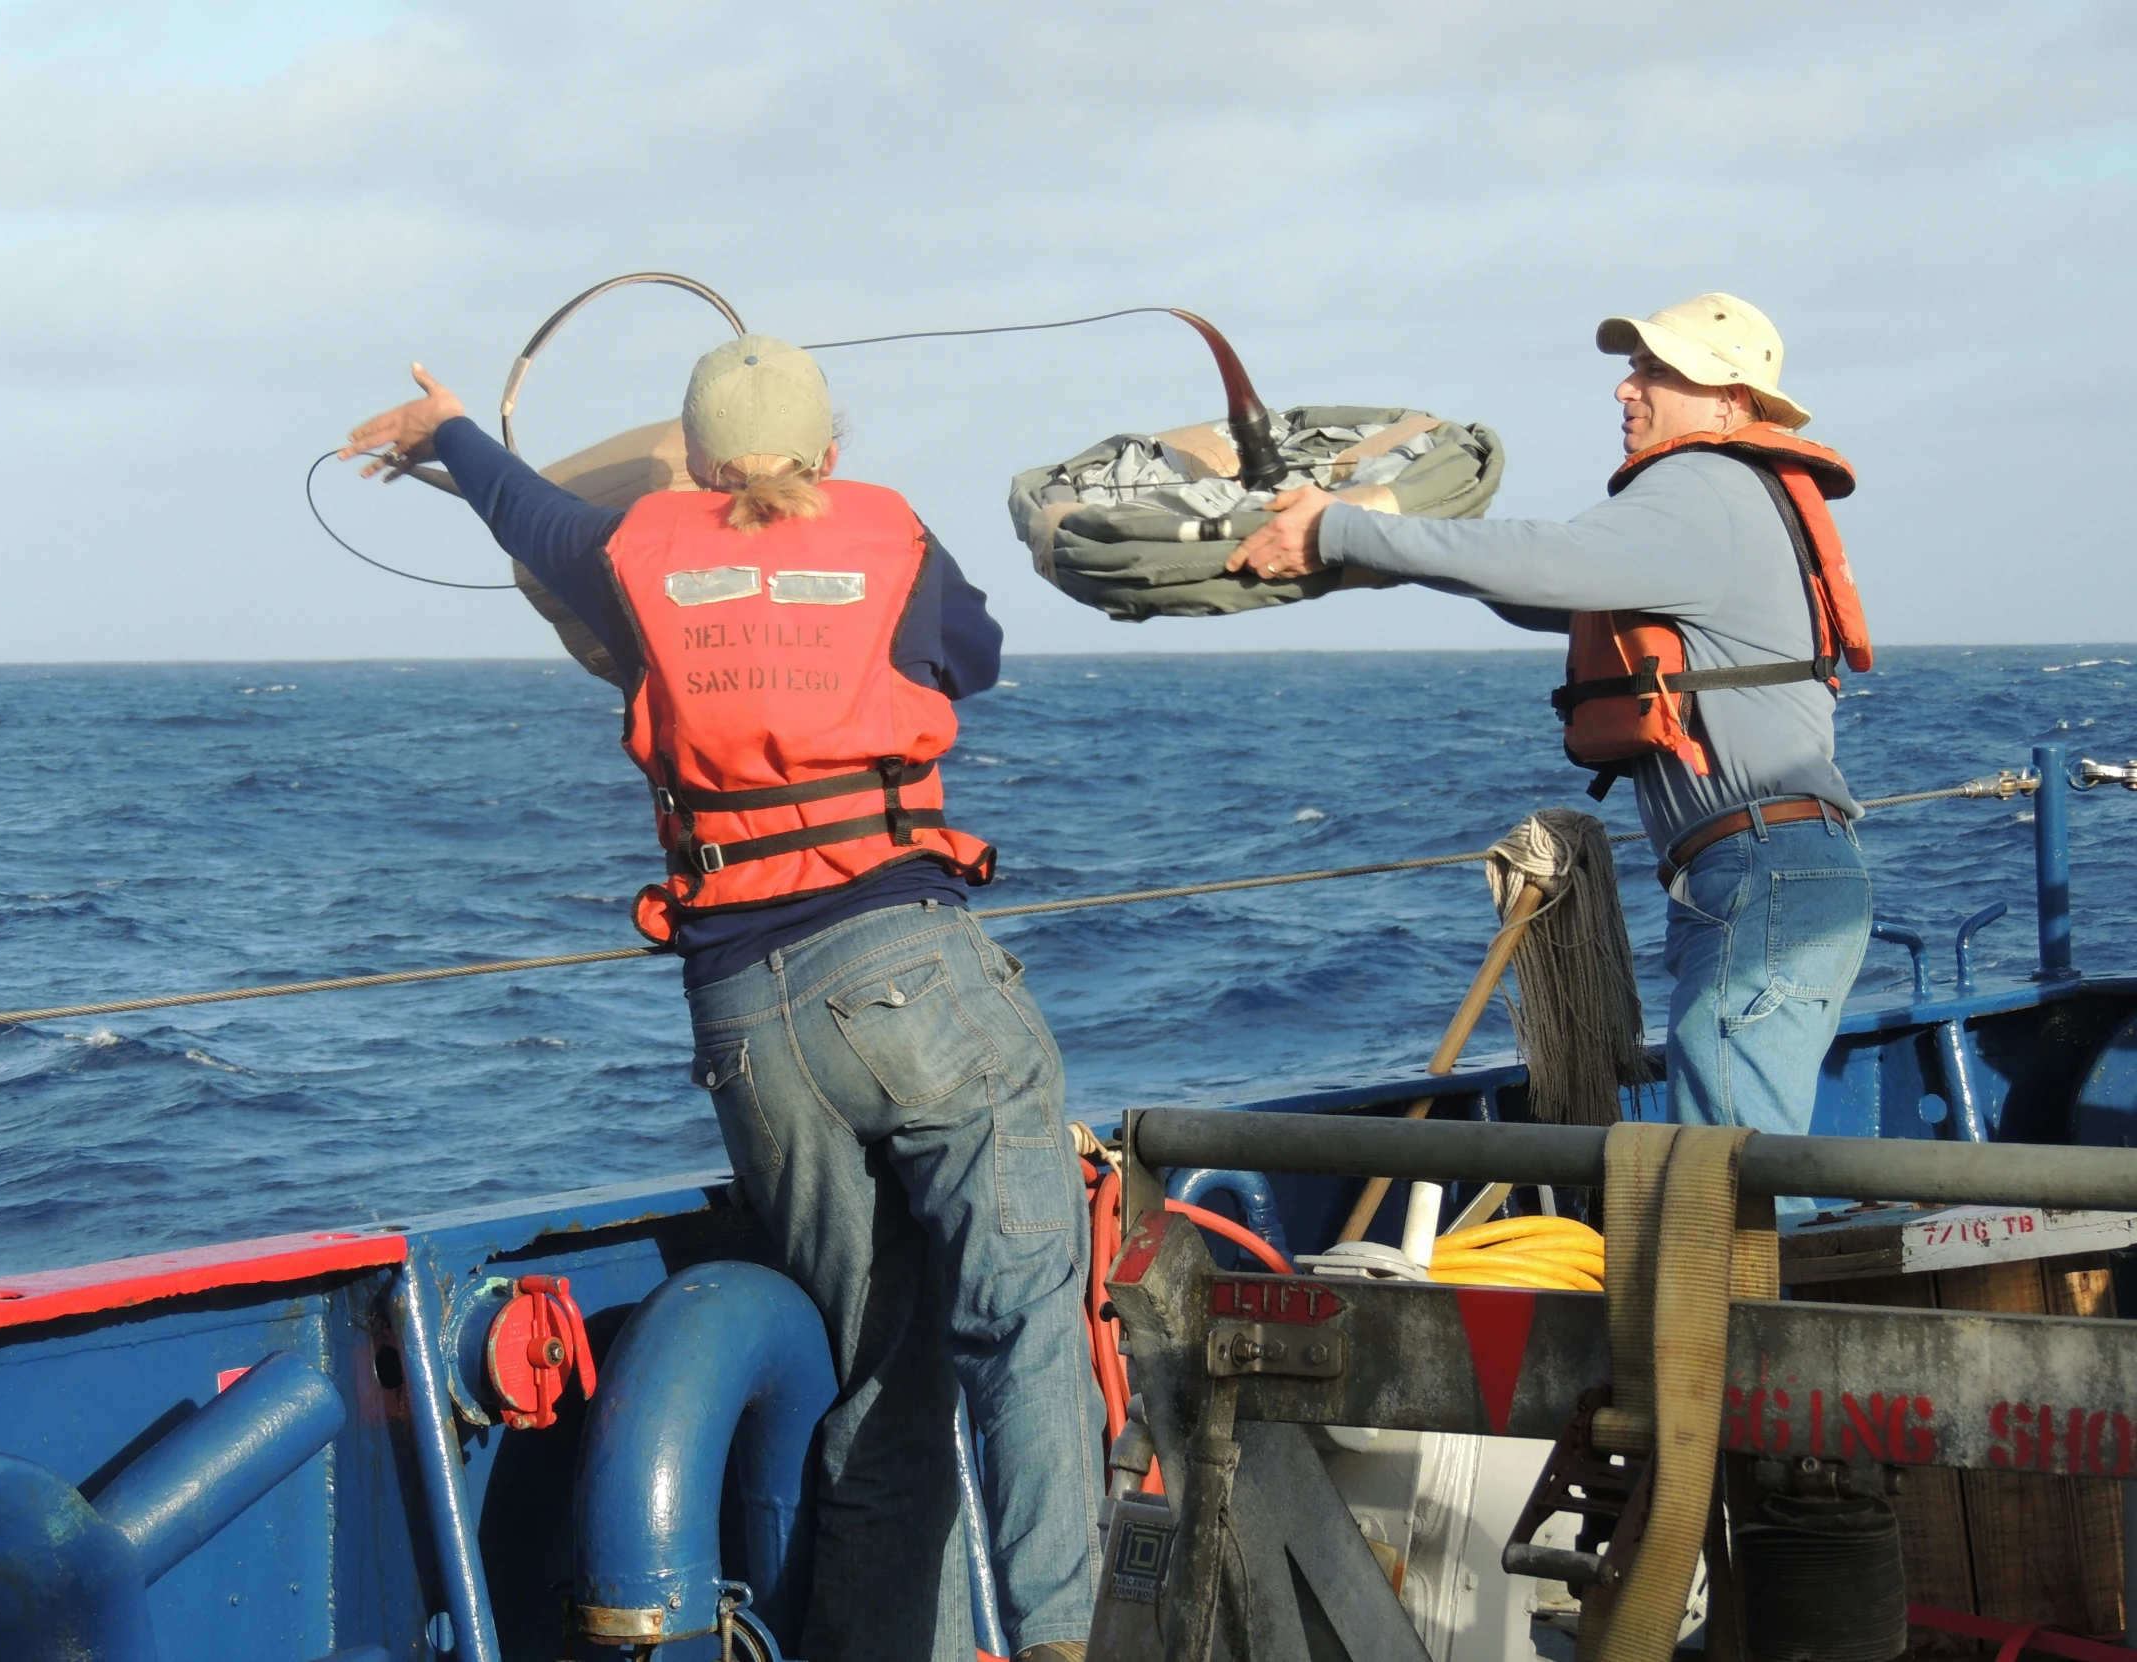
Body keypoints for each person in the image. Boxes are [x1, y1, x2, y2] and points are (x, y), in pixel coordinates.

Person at [343, 339, 1099, 1662]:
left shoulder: (637, 547)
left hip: (748, 1023)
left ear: (694, 458)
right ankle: (1065, 1639)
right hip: (911, 976)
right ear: (831, 449)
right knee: (1022, 1314)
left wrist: (448, 429)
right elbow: (967, 657)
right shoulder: (889, 532)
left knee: (881, 1381)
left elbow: (524, 508)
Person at [1229, 294, 1873, 1150]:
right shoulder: (1726, 494)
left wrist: (1340, 525)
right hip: (1767, 871)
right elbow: (1546, 598)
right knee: (1730, 1150)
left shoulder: (1703, 484)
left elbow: (1543, 559)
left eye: (1653, 371)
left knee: (1723, 1170)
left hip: (1763, 868)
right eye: (1633, 369)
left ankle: (1734, 1288)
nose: (1625, 390)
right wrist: (1383, 552)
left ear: (1728, 400)